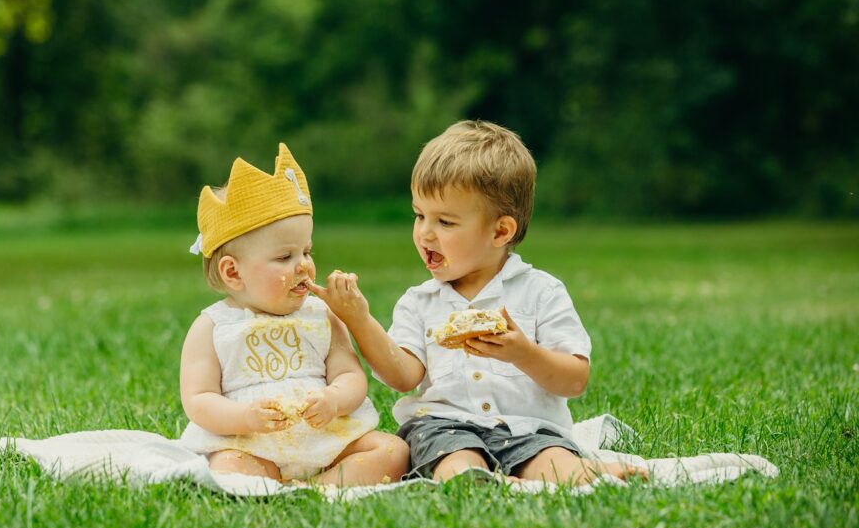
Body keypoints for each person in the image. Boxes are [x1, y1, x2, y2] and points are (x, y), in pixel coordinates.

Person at [307, 121, 646, 485]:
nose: (425, 233)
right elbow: (403, 377)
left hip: (528, 429)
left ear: (500, 231)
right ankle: (480, 480)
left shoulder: (541, 292)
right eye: (419, 215)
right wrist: (359, 320)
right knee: (455, 462)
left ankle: (583, 473)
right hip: (443, 428)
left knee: (551, 459)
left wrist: (523, 353)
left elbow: (574, 380)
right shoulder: (420, 302)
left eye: (445, 222)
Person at [178, 143, 409, 486]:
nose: (303, 264)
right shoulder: (213, 327)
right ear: (233, 273)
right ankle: (270, 481)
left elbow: (350, 376)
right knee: (227, 466)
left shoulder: (322, 316)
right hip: (252, 444)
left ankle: (320, 486)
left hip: (329, 440)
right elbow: (198, 400)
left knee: (393, 451)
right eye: (285, 257)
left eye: (307, 251)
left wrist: (334, 399)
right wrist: (245, 417)